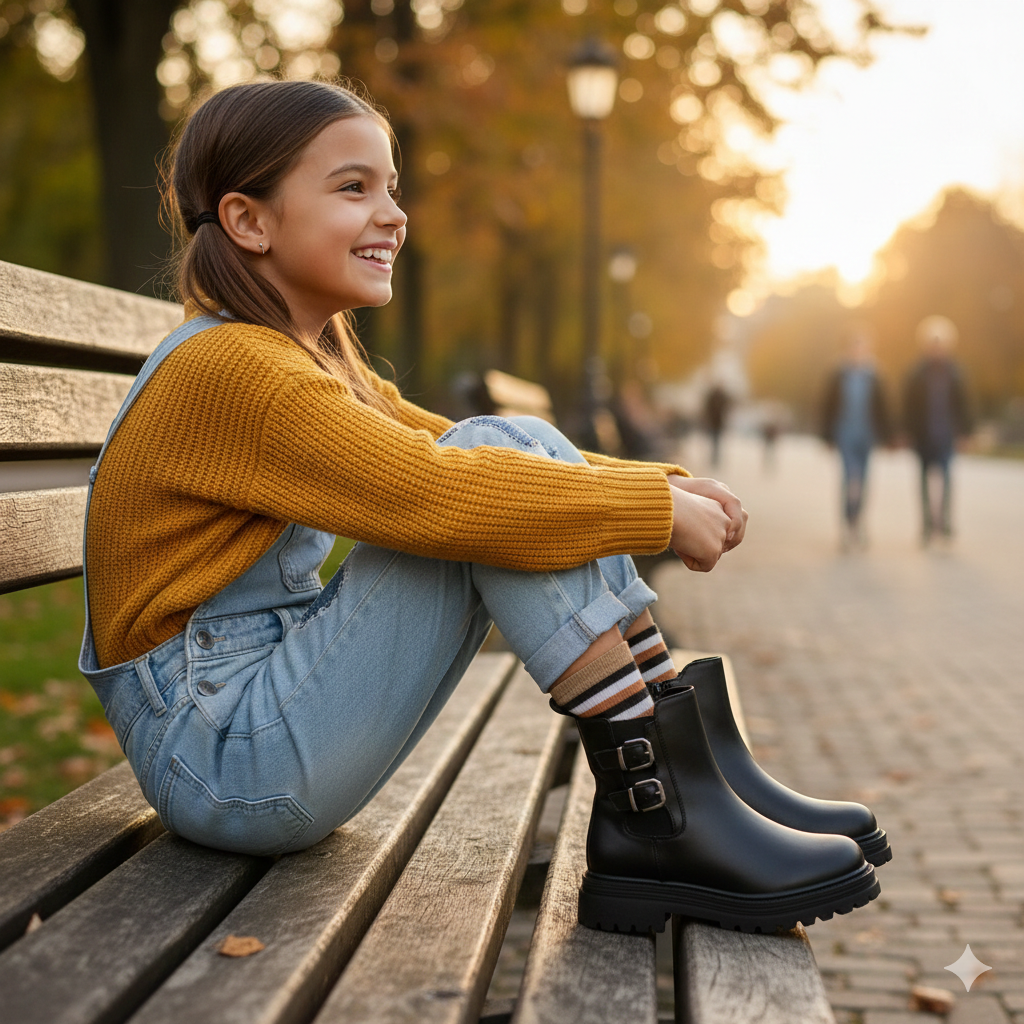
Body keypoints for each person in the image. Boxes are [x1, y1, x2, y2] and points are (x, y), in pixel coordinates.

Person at [78, 80, 883, 935]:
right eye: (353, 187)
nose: (394, 214)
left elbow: (451, 444)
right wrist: (653, 507)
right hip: (222, 762)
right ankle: (662, 806)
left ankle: (684, 777)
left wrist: (662, 486)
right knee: (481, 483)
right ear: (249, 220)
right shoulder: (231, 370)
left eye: (391, 188)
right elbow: (436, 490)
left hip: (254, 727)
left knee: (500, 449)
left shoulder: (299, 359)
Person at [903, 316, 971, 545]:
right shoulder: (916, 373)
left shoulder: (956, 372)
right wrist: (907, 432)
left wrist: (965, 432)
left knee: (947, 481)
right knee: (923, 483)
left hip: (946, 436)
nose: (937, 348)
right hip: (923, 436)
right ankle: (926, 525)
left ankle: (945, 522)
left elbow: (964, 404)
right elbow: (909, 406)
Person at [821, 332, 891, 549]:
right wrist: (826, 436)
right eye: (854, 347)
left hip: (867, 435)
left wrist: (888, 435)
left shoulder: (875, 375)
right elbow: (826, 406)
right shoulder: (838, 374)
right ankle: (846, 524)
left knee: (864, 481)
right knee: (848, 478)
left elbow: (884, 407)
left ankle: (859, 523)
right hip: (845, 434)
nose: (858, 352)